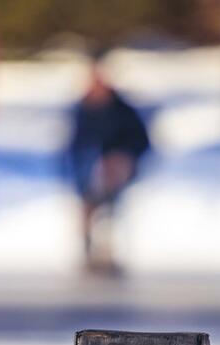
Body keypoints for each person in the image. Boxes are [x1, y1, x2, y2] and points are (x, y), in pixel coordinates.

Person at [67, 54, 150, 273]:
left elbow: (140, 141)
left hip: (114, 172)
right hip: (87, 171)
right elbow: (72, 146)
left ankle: (108, 249)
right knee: (88, 202)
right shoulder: (82, 109)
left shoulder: (122, 110)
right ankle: (88, 250)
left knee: (109, 200)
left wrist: (122, 157)